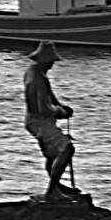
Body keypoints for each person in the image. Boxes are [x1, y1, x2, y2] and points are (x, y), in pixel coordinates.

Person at [23, 40, 78, 201]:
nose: (53, 65)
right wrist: (61, 111)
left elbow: (49, 95)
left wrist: (59, 105)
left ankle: (56, 186)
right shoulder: (37, 79)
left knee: (52, 154)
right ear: (46, 61)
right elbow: (44, 109)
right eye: (52, 61)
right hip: (39, 121)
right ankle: (52, 190)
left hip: (35, 120)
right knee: (66, 149)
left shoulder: (34, 71)